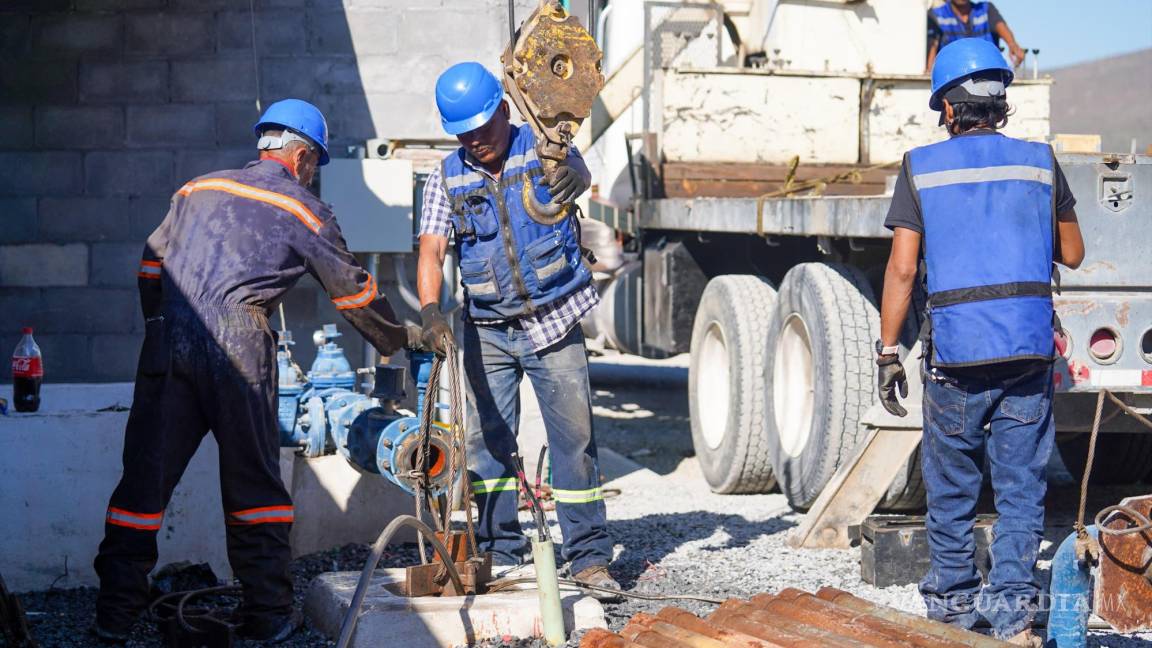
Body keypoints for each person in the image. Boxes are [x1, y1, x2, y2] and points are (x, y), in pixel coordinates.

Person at [93, 99, 415, 643]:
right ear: (302, 155)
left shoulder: (196, 190)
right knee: (254, 484)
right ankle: (267, 614)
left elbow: (151, 262)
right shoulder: (305, 208)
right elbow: (354, 293)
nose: (313, 173)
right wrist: (398, 340)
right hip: (238, 344)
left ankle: (112, 618)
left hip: (169, 336)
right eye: (315, 163)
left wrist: (162, 324)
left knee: (143, 485)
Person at [877, 38, 1085, 646]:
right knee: (1021, 488)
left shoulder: (920, 166)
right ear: (1002, 103)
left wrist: (889, 352)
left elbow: (904, 270)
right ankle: (1016, 615)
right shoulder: (1041, 162)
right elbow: (1071, 253)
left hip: (955, 359)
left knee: (953, 487)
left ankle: (953, 610)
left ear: (947, 108)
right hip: (1027, 352)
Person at [416, 61, 619, 598]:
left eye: (484, 129)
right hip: (487, 329)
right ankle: (501, 550)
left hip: (554, 319)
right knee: (488, 448)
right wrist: (432, 309)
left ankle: (589, 558)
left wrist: (577, 172)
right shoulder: (447, 175)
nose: (477, 142)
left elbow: (578, 165)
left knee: (574, 442)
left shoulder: (541, 144)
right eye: (466, 135)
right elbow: (433, 248)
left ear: (503, 111)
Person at [925, 0, 1025, 73]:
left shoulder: (986, 9)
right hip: (954, 78)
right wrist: (929, 72)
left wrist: (1012, 45)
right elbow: (932, 45)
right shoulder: (936, 15)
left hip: (988, 74)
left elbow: (1000, 25)